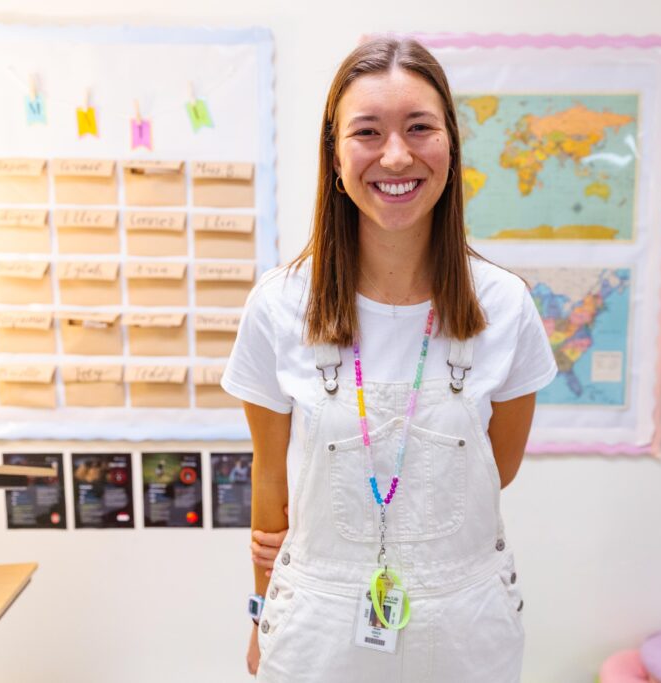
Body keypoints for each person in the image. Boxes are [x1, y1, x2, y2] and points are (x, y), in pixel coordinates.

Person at [221, 37, 557, 682]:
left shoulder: (505, 305)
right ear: (335, 152)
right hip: (316, 624)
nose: (396, 155)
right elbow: (271, 486)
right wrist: (260, 610)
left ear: (451, 145)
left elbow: (498, 467)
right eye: (367, 132)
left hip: (466, 622)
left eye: (419, 128)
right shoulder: (279, 304)